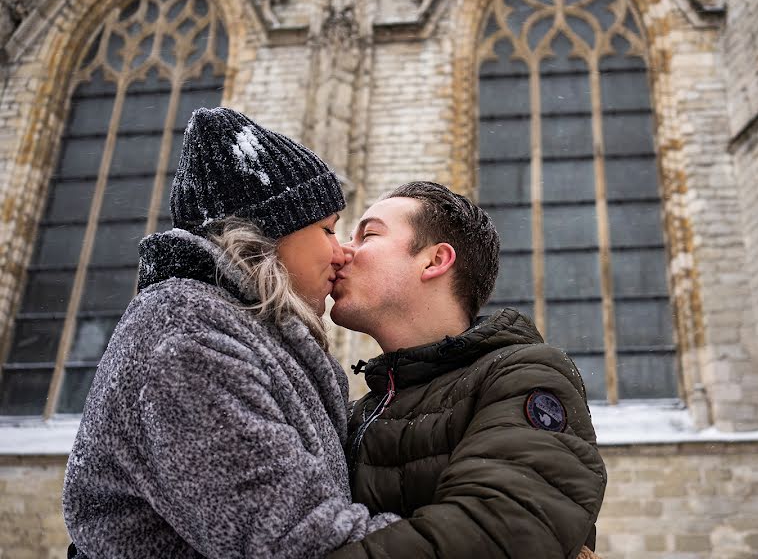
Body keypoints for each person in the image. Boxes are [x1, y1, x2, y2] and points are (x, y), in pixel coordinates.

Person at [62, 107, 396, 558]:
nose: (341, 254)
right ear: (269, 233)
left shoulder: (230, 324)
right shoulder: (185, 338)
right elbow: (296, 539)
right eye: (327, 230)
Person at [327, 182, 607, 558]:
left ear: (435, 261)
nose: (341, 252)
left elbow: (501, 531)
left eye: (369, 235)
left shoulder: (523, 375)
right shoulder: (359, 412)